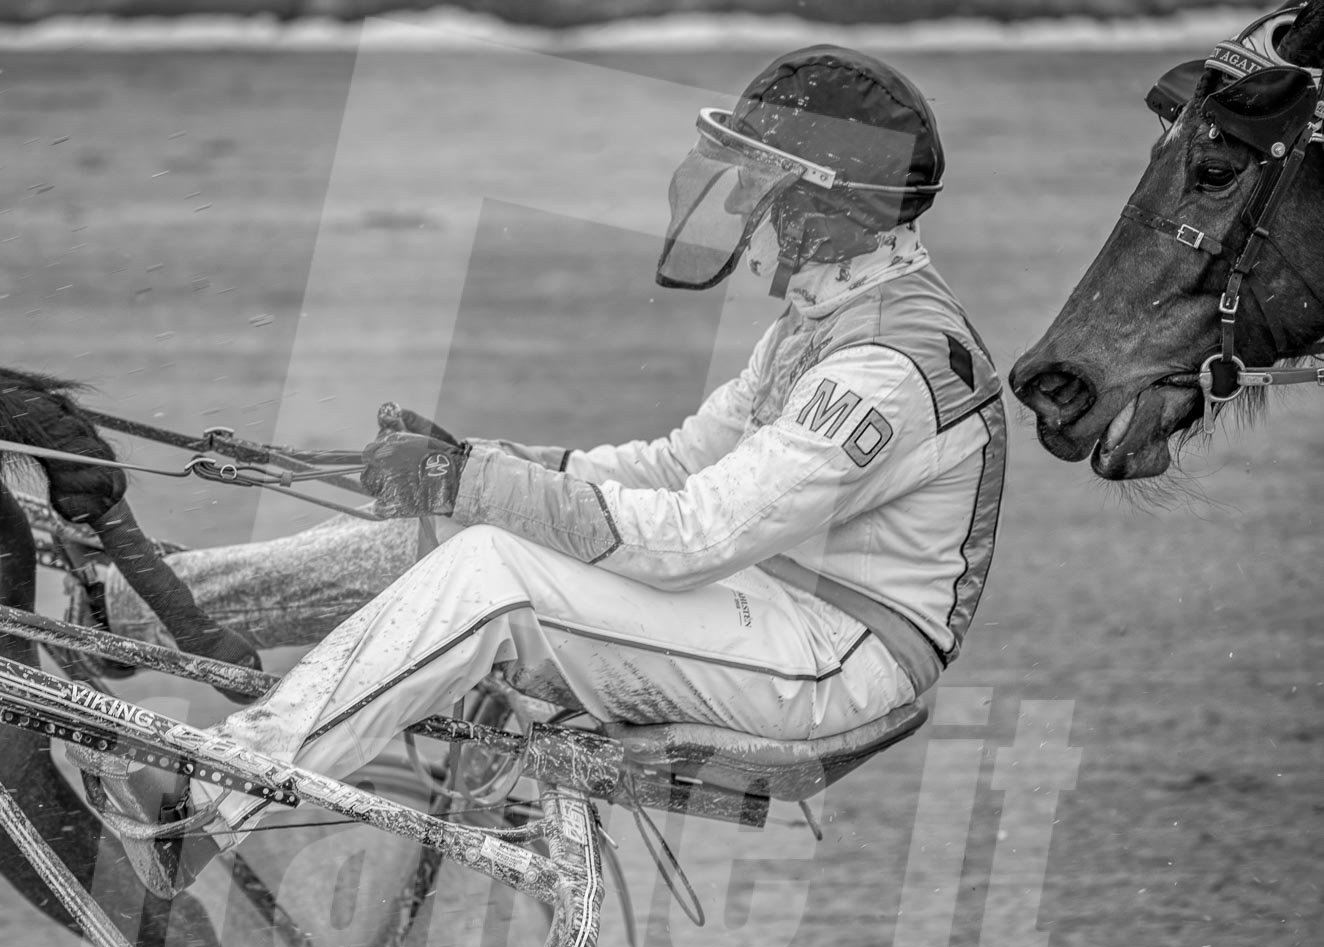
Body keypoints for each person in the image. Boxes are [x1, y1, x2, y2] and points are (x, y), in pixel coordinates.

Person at [89, 44, 1007, 898]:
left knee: (492, 572)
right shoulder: (824, 319)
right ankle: (131, 607)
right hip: (767, 608)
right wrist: (471, 466)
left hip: (833, 664)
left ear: (823, 202)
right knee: (449, 532)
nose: (738, 205)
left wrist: (474, 484)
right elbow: (676, 465)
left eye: (759, 180)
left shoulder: (883, 367)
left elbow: (690, 538)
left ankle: (218, 794)